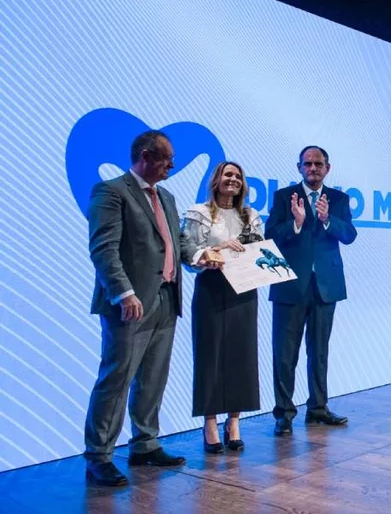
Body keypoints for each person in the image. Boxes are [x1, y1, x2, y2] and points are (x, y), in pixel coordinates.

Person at [83, 131, 217, 486]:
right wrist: (123, 292)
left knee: (153, 379)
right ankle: (99, 456)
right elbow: (103, 250)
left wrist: (202, 257)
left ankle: (145, 444)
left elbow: (178, 243)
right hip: (130, 303)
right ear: (145, 156)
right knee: (116, 379)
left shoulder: (168, 197)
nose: (172, 166)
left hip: (166, 299)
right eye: (167, 160)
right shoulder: (111, 192)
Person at [266, 146, 357, 436]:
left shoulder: (339, 199)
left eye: (318, 164)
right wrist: (296, 222)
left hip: (325, 287)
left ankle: (318, 408)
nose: (313, 168)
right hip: (290, 285)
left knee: (319, 352)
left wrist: (328, 219)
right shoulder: (284, 197)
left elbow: (349, 235)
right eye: (308, 164)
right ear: (299, 167)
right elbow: (269, 237)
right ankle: (284, 414)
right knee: (285, 354)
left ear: (327, 168)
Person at [182, 161, 263, 454]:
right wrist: (211, 251)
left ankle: (234, 422)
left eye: (238, 176)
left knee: (241, 356)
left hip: (244, 290)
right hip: (211, 289)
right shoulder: (199, 213)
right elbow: (186, 249)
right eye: (228, 175)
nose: (234, 179)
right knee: (211, 356)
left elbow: (261, 251)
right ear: (216, 179)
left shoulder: (251, 215)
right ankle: (211, 422)